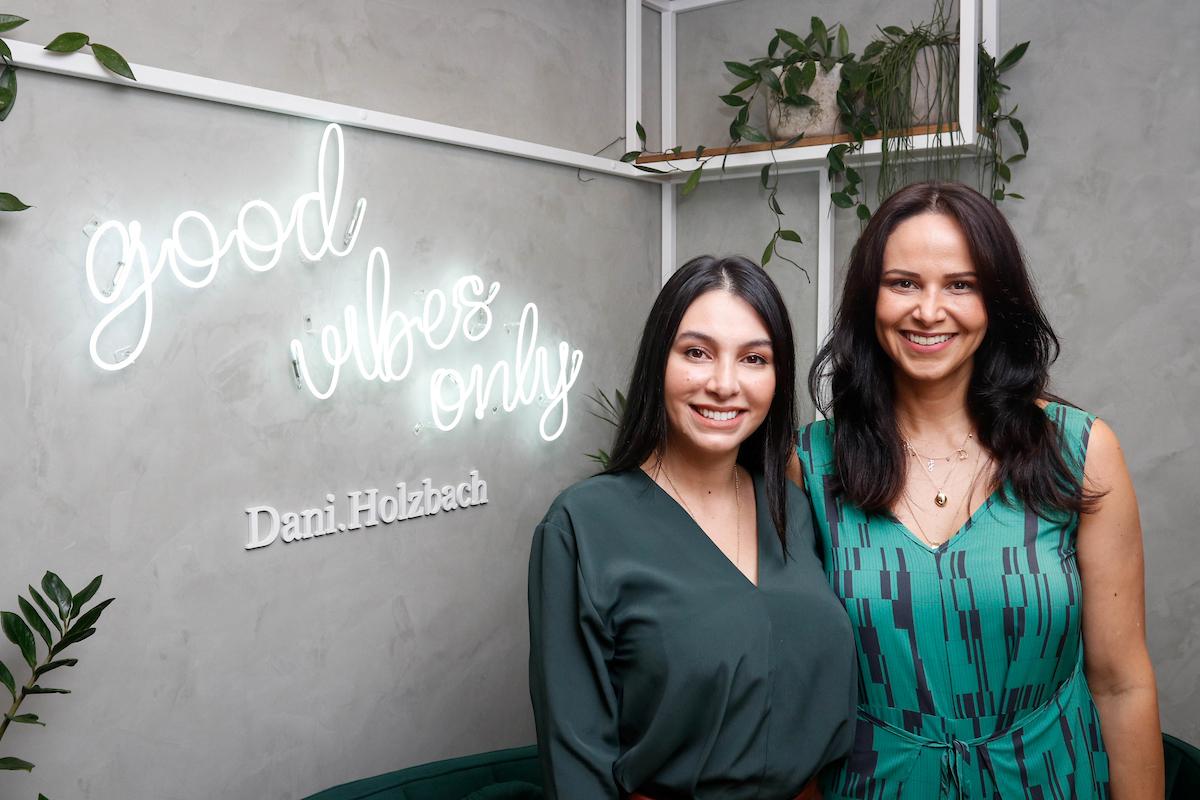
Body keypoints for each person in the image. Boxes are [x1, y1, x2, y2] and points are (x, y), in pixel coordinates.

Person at [793, 181, 1163, 799]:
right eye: (902, 282)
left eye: (960, 285)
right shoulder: (809, 465)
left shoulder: (1081, 451)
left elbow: (1122, 684)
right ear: (867, 299)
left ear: (997, 300)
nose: (929, 311)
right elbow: (792, 685)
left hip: (1050, 784)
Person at [528, 255, 857, 799]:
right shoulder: (582, 526)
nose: (724, 383)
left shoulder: (793, 509)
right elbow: (575, 758)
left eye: (754, 358)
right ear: (659, 361)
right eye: (697, 353)